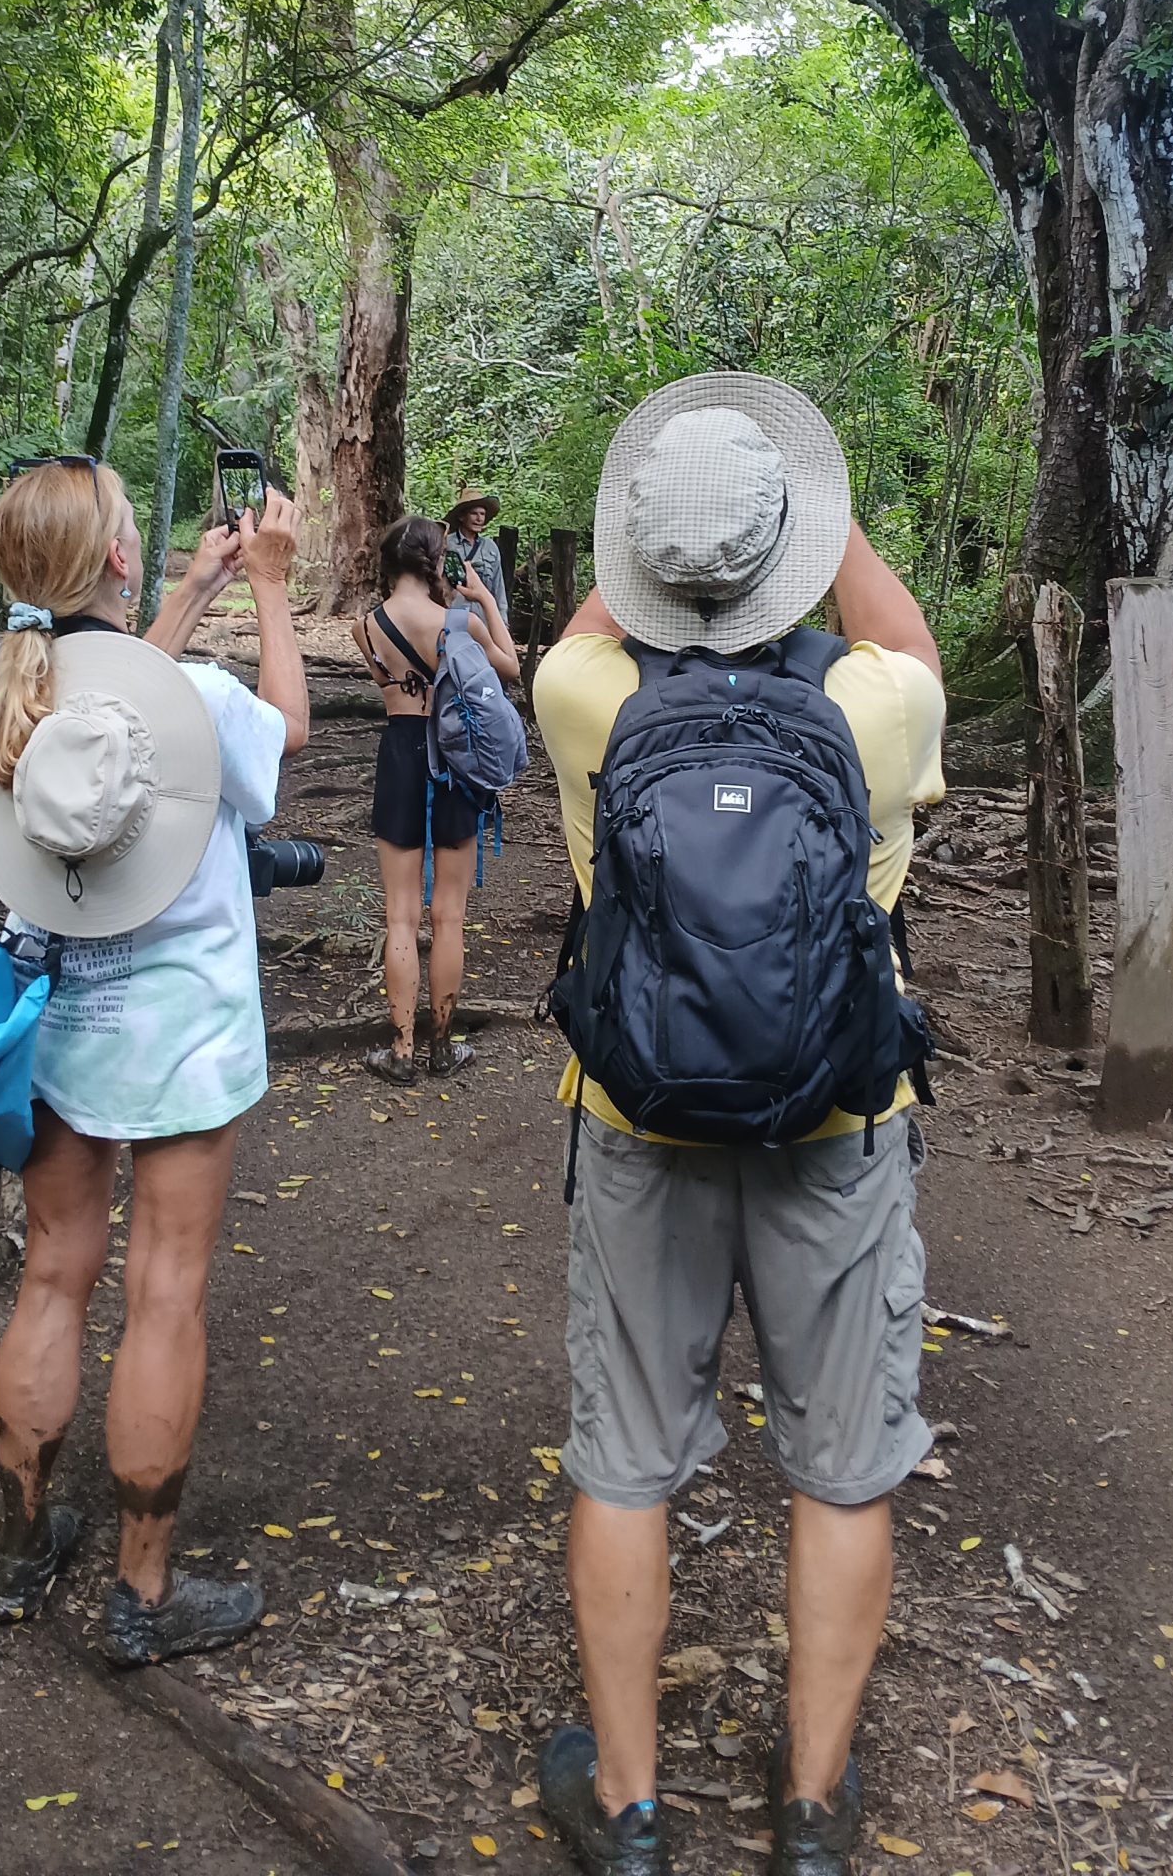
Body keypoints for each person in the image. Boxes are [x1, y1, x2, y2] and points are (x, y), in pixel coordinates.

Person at [529, 375, 946, 1876]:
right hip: (839, 1120)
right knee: (843, 1463)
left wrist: (661, 542)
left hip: (638, 1120)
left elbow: (592, 623)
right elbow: (908, 641)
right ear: (795, 545)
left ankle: (629, 1809)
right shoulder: (881, 705)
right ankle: (812, 1816)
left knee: (624, 1457)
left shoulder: (582, 694)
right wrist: (826, 523)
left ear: (642, 557)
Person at [0, 455, 308, 1667]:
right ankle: (142, 1594)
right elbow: (286, 736)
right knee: (164, 1293)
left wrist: (193, 591)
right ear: (120, 556)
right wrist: (269, 586)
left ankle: (21, 1552)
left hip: (57, 1021)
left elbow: (102, 696)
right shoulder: (201, 698)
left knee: (52, 1274)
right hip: (185, 1033)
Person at [353, 514, 521, 1084]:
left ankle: (401, 1051)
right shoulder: (459, 623)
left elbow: (391, 685)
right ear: (435, 561)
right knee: (449, 915)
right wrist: (485, 600)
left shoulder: (365, 628)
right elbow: (509, 668)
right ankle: (443, 1047)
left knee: (400, 915)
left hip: (399, 759)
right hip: (454, 766)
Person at [445, 488, 507, 616]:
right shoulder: (446, 544)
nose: (479, 519)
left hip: (484, 617)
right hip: (453, 615)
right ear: (462, 516)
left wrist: (502, 620)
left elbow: (498, 588)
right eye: (474, 513)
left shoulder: (490, 547)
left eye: (482, 514)